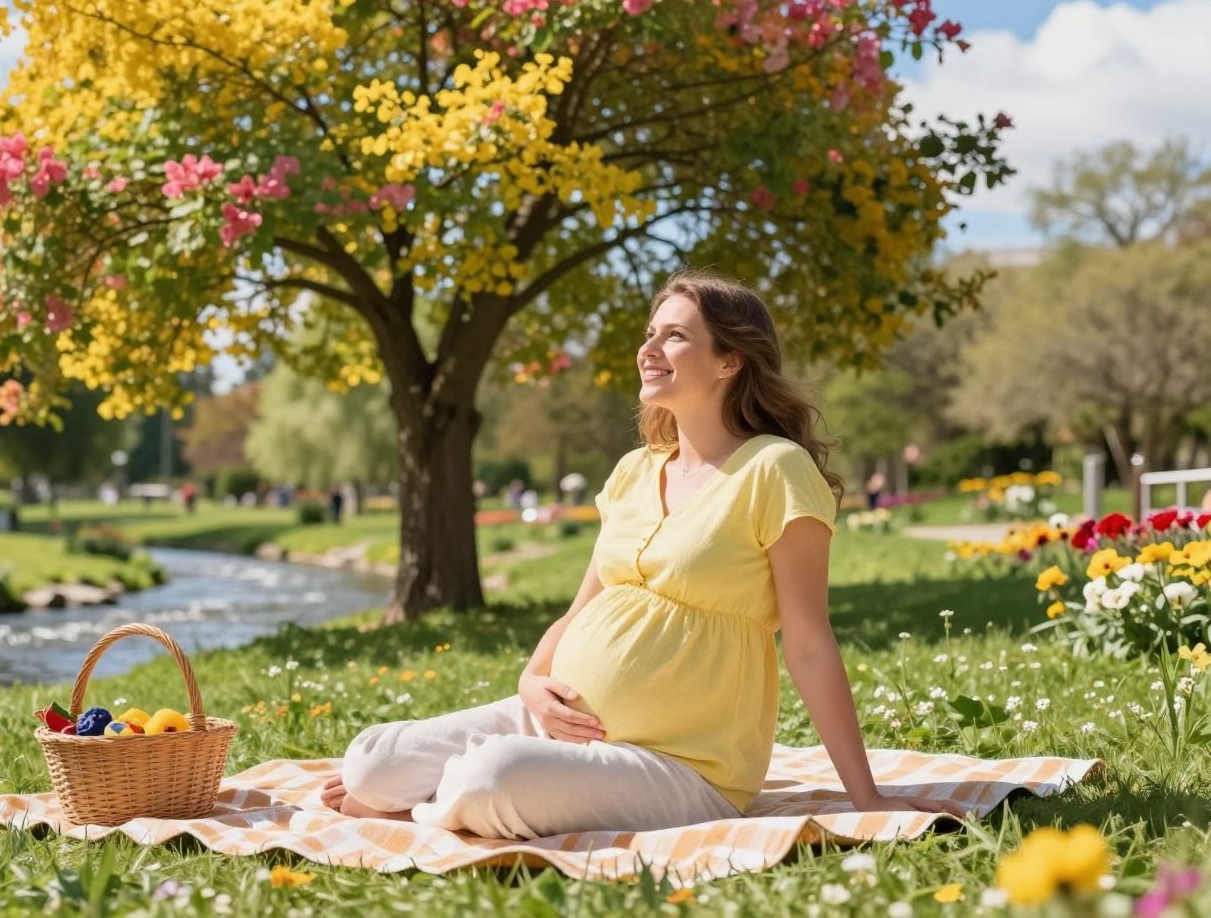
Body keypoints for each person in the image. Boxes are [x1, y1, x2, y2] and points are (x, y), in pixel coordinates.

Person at [320, 267, 966, 839]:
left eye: (674, 336)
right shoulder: (634, 469)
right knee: (370, 759)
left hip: (684, 764)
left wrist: (867, 795)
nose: (648, 349)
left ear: (729, 361)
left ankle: (415, 812)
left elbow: (808, 643)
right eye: (651, 332)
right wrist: (530, 683)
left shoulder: (776, 469)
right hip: (558, 723)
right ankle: (423, 796)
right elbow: (582, 608)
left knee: (494, 775)